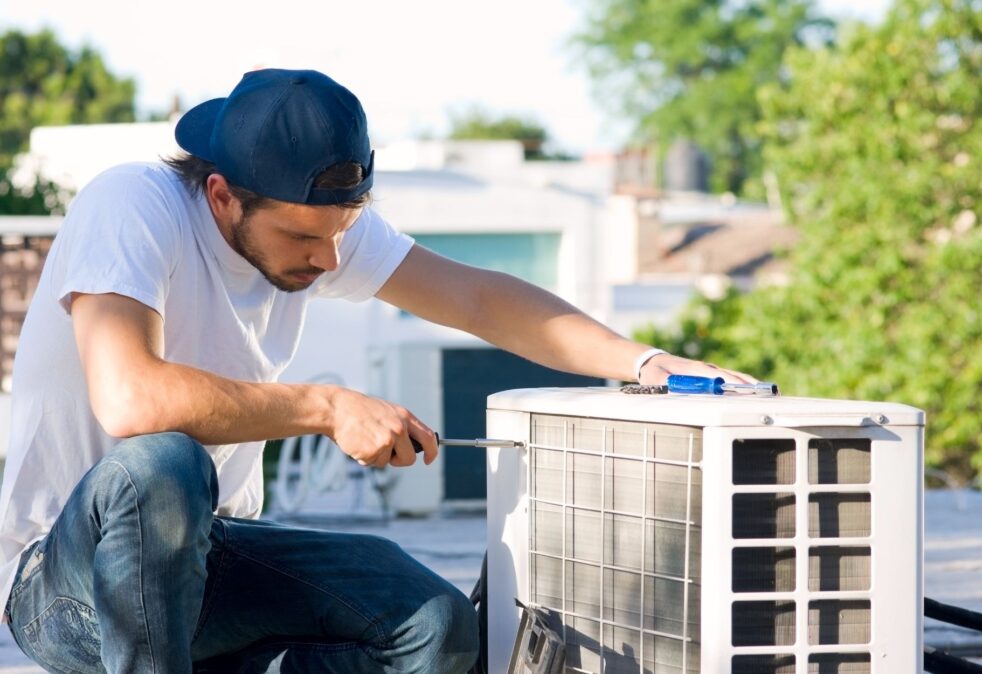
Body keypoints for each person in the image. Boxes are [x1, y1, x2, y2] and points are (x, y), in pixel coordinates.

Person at [0, 68, 753, 673]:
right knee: (161, 463)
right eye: (303, 238)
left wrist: (648, 362)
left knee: (437, 625)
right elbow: (131, 397)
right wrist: (328, 407)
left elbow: (479, 297)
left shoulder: (319, 226)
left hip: (212, 563)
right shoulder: (133, 204)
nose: (328, 260)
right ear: (223, 196)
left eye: (342, 234)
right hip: (66, 581)